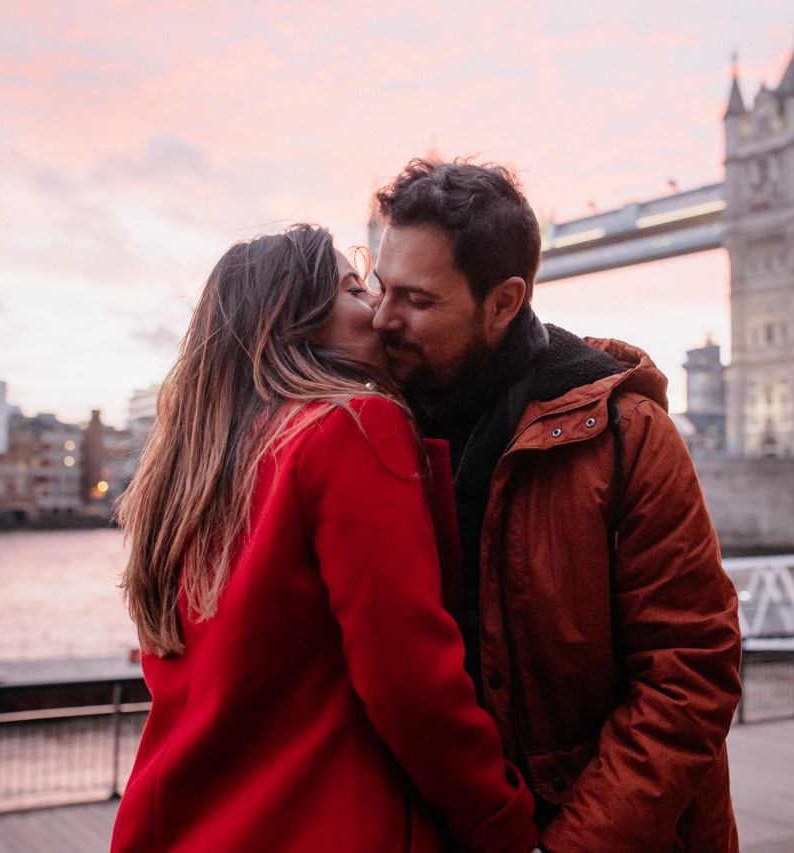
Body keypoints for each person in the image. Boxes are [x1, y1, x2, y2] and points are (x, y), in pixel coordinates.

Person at [110, 224, 537, 853]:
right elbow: (410, 679)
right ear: (297, 322)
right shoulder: (352, 427)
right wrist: (502, 822)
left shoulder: (183, 478)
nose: (380, 313)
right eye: (354, 290)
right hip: (326, 824)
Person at [371, 159, 743, 853]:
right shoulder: (364, 430)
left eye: (417, 301)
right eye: (377, 286)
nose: (382, 318)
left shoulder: (629, 435)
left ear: (504, 302)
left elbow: (688, 672)